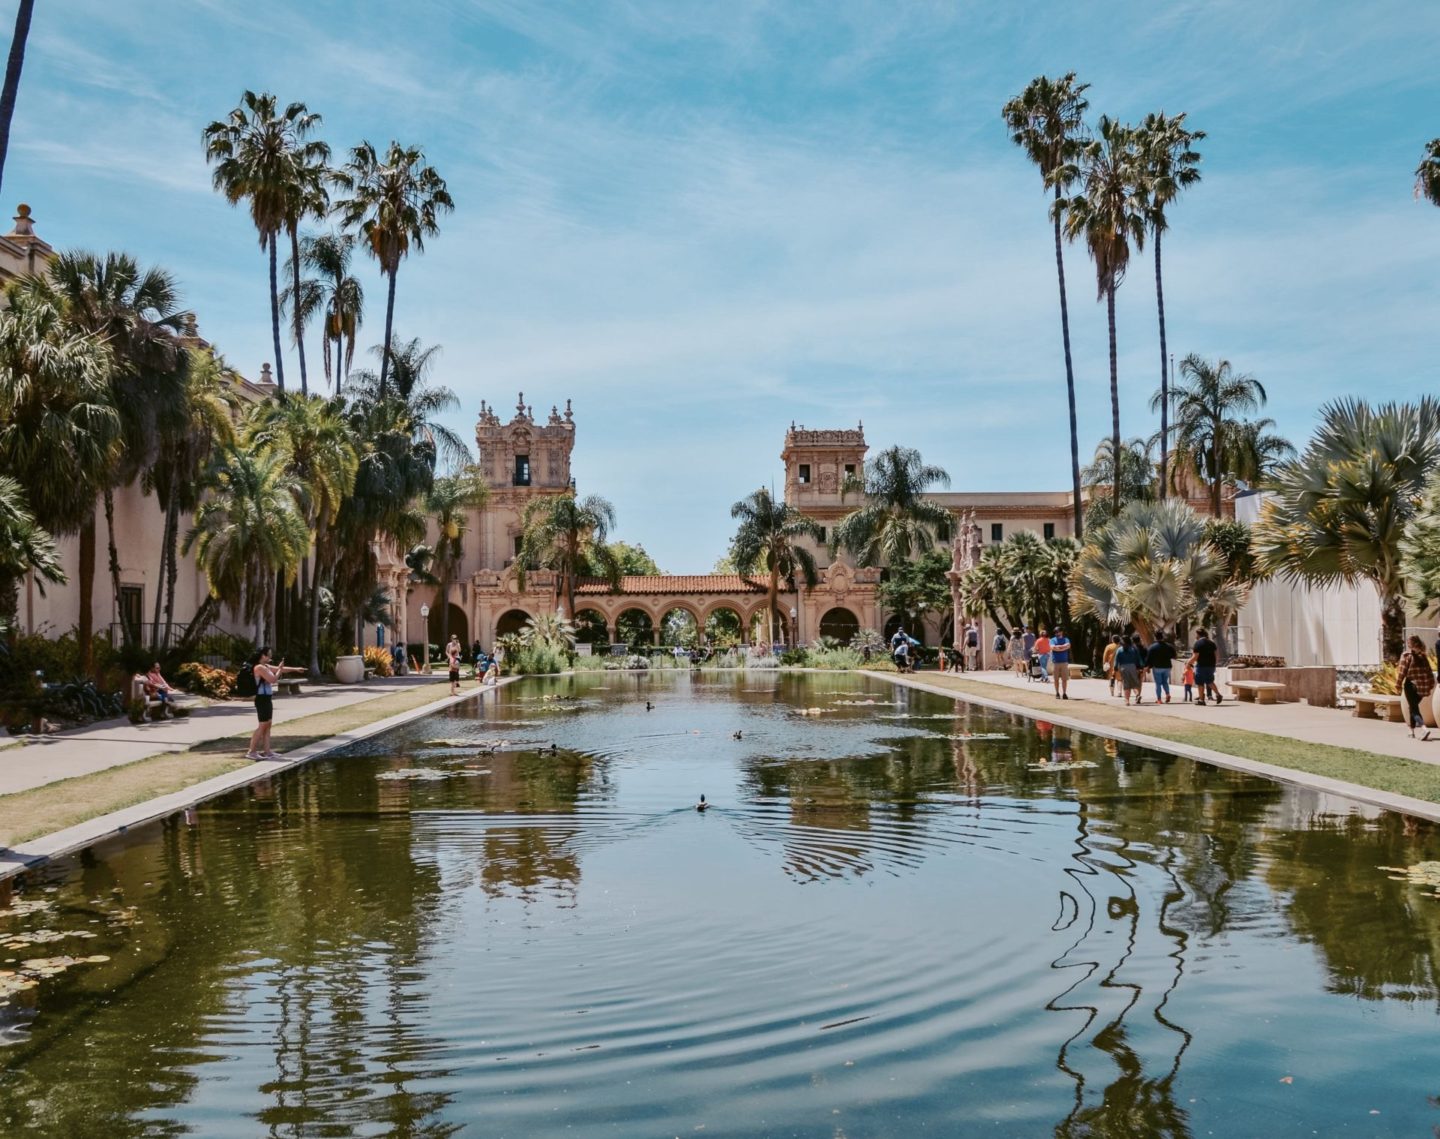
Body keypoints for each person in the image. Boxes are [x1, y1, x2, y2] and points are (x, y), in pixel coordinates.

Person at [246, 647, 303, 760]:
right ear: (263, 656)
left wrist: (296, 669)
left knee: (268, 724)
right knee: (262, 725)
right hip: (261, 699)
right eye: (269, 655)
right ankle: (251, 751)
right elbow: (273, 679)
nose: (270, 657)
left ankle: (267, 752)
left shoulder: (266, 666)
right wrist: (280, 670)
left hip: (267, 698)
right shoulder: (259, 667)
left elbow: (280, 669)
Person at [1397, 635, 1435, 740]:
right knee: (1413, 707)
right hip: (1422, 687)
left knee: (1414, 709)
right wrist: (1430, 686)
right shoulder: (1423, 656)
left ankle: (1424, 728)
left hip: (1410, 685)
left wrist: (1398, 684)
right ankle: (1411, 730)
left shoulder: (1406, 656)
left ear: (1411, 644)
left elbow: (1402, 672)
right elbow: (1430, 673)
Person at [1189, 628, 1222, 706]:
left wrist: (1188, 663)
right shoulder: (1212, 643)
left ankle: (1201, 700)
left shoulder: (1197, 643)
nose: (1195, 636)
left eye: (1196, 634)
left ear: (1198, 634)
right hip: (1211, 666)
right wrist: (1214, 664)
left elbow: (1195, 656)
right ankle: (1218, 694)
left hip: (1201, 666)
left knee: (1200, 683)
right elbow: (1217, 655)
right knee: (1209, 681)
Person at [1146, 631, 1176, 705]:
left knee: (1158, 683)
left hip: (1157, 667)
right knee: (1165, 682)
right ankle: (1167, 694)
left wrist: (1148, 666)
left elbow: (1148, 658)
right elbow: (1174, 655)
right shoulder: (1169, 646)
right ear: (1162, 637)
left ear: (1155, 637)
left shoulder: (1152, 647)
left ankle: (1159, 699)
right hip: (1167, 667)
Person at [1116, 635, 1144, 706]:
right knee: (1134, 682)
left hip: (1123, 667)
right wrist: (1140, 667)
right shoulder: (1133, 649)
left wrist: (1115, 667)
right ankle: (1137, 695)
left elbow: (1116, 660)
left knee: (1126, 684)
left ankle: (1127, 701)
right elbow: (1139, 659)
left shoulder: (1119, 649)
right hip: (1133, 667)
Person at [1050, 627, 1072, 699]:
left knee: (1064, 679)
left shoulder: (1066, 639)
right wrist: (1063, 647)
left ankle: (1064, 693)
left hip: (1064, 662)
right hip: (1055, 662)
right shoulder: (1052, 640)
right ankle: (1057, 693)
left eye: (1058, 632)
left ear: (1061, 632)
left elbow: (1068, 646)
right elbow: (1053, 647)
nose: (1057, 633)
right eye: (1056, 632)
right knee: (1056, 679)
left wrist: (1058, 647)